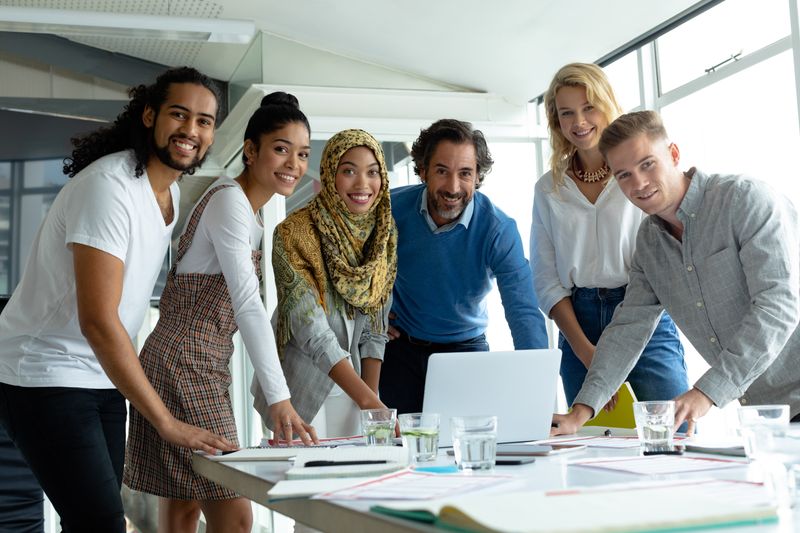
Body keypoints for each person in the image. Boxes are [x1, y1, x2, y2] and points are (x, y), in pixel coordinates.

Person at [0, 67, 234, 533]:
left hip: (99, 378)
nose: (191, 130)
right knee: (101, 522)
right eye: (179, 115)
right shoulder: (108, 189)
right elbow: (98, 321)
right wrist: (167, 423)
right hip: (44, 373)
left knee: (96, 521)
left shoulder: (164, 195)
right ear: (150, 116)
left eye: (204, 121)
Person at [124, 92, 318, 532]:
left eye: (303, 153)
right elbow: (248, 305)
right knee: (234, 512)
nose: (293, 164)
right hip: (184, 364)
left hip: (194, 362)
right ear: (251, 150)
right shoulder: (230, 202)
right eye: (281, 148)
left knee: (186, 501)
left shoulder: (250, 212)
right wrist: (279, 398)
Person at [552, 110, 800, 437]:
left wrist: (708, 391)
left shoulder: (745, 200)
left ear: (673, 154)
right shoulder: (649, 244)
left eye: (647, 164)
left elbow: (777, 307)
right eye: (623, 175)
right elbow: (628, 328)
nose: (638, 184)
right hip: (766, 415)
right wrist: (580, 412)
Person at [531, 63, 688, 407]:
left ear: (607, 105)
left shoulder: (637, 175)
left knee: (669, 433)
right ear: (556, 121)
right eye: (567, 113)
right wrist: (583, 349)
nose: (579, 122)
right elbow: (545, 279)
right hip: (579, 323)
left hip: (644, 311)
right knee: (591, 444)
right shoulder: (548, 189)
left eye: (589, 107)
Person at [380, 118, 549, 414]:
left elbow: (523, 310)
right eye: (442, 171)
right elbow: (350, 267)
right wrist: (373, 314)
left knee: (465, 446)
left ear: (478, 177)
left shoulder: (498, 229)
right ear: (422, 170)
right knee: (402, 447)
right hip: (399, 351)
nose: (453, 187)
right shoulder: (389, 210)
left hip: (464, 350)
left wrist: (536, 389)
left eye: (465, 174)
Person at [253, 129, 397, 439]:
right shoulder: (293, 233)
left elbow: (375, 326)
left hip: (354, 388)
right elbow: (311, 330)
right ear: (330, 175)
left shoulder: (382, 234)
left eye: (372, 172)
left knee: (356, 482)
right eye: (348, 171)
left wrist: (371, 411)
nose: (362, 184)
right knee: (300, 483)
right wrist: (369, 401)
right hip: (299, 390)